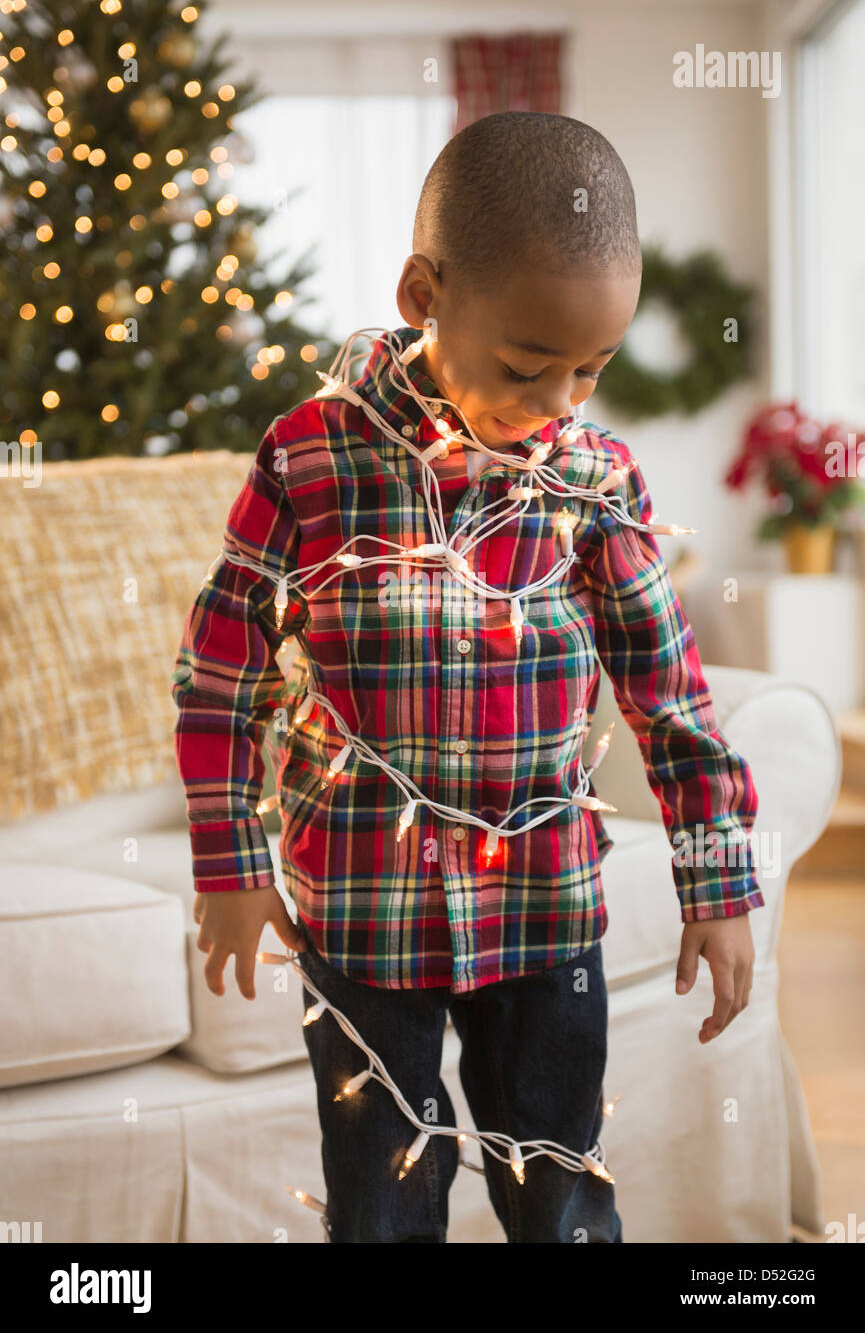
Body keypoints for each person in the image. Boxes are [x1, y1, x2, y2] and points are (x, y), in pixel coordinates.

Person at [171, 111, 764, 1243]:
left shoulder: (592, 478)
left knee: (560, 1194)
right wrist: (229, 862)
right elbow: (220, 671)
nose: (557, 404)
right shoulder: (309, 455)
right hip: (359, 911)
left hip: (545, 911)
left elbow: (669, 691)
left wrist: (719, 879)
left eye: (591, 369)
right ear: (422, 294)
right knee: (382, 1205)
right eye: (528, 366)